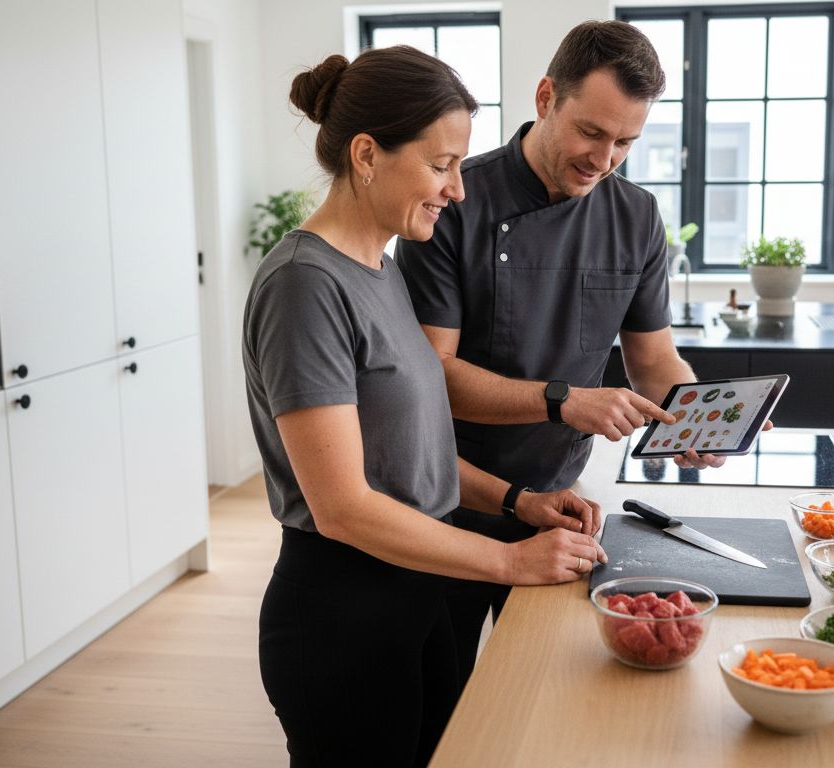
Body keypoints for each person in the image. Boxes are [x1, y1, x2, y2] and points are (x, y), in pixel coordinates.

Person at [243, 45, 606, 768]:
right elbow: (344, 506)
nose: (458, 190)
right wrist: (512, 563)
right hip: (343, 618)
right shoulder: (303, 285)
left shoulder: (377, 268)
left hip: (417, 596)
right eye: (441, 165)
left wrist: (517, 502)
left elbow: (410, 456)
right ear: (368, 153)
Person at [397, 20, 743, 690]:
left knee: (544, 690)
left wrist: (697, 416)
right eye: (591, 132)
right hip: (447, 495)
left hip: (560, 502)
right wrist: (564, 400)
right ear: (546, 96)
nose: (605, 157)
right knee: (441, 697)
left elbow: (655, 360)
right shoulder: (454, 200)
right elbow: (429, 379)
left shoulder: (636, 216)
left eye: (626, 142)